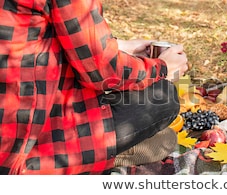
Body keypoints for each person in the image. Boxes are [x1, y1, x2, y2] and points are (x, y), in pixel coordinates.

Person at [0, 0, 188, 174]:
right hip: (21, 151)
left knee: (163, 136)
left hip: (18, 116)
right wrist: (162, 68)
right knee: (163, 97)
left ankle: (113, 150)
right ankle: (87, 160)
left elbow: (41, 39)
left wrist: (119, 47)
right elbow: (103, 71)